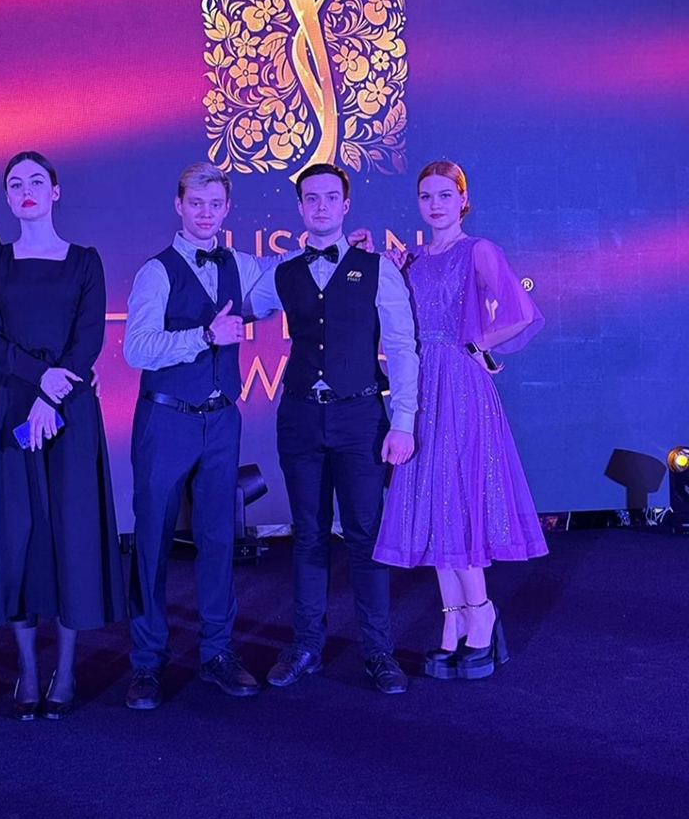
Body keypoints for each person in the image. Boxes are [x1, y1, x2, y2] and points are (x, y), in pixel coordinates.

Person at [0, 151, 124, 720]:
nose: (25, 189)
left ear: (55, 191)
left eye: (35, 181)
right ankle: (28, 670)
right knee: (17, 537)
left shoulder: (85, 261)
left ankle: (66, 671)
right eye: (15, 184)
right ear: (7, 197)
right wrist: (38, 381)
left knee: (70, 536)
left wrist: (52, 395)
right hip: (7, 408)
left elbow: (88, 339)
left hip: (69, 409)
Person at [245, 163, 419, 695]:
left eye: (330, 197)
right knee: (308, 535)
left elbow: (402, 347)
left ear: (346, 205)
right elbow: (242, 305)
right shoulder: (281, 272)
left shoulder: (378, 268)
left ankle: (378, 651)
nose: (320, 206)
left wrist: (404, 421)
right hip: (299, 416)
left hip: (360, 417)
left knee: (365, 536)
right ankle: (306, 647)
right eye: (311, 198)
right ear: (300, 207)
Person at [371, 160, 547, 679]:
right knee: (433, 503)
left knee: (458, 499)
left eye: (444, 195)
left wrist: (474, 344)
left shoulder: (479, 250)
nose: (435, 204)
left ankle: (482, 615)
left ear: (463, 199)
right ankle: (453, 620)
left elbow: (521, 312)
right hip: (419, 387)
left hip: (462, 390)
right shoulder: (410, 258)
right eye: (426, 196)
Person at [122, 162, 278, 710]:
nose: (205, 213)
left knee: (218, 538)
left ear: (227, 208)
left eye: (215, 204)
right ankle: (146, 662)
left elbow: (288, 280)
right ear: (179, 205)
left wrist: (347, 251)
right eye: (196, 203)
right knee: (152, 541)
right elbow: (136, 348)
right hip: (166, 419)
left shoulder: (242, 264)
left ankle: (217, 652)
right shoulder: (156, 272)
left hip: (221, 419)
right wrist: (204, 336)